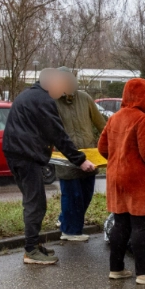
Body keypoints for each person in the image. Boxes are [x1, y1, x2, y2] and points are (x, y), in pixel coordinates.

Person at [2, 69, 95, 266]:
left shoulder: (29, 95)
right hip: (25, 157)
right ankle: (31, 251)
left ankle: (34, 245)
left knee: (34, 202)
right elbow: (57, 134)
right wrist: (80, 160)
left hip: (18, 154)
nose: (63, 94)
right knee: (35, 204)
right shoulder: (42, 101)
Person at [98, 78, 145, 285]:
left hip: (116, 179)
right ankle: (143, 273)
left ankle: (116, 268)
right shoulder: (143, 120)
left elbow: (102, 148)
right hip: (139, 180)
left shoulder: (114, 118)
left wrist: (117, 161)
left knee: (120, 224)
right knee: (141, 226)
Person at [55, 72, 107, 242]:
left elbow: (101, 124)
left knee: (86, 194)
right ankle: (70, 231)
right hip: (66, 156)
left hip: (89, 155)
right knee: (72, 195)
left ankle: (65, 220)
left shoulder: (84, 98)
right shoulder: (52, 102)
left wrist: (111, 142)